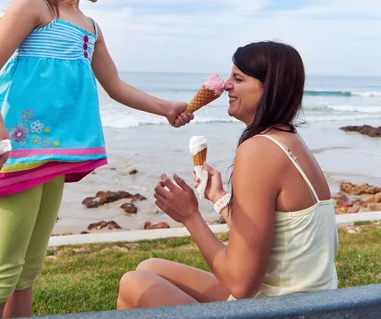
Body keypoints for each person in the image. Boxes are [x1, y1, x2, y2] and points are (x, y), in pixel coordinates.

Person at [0, 0, 192, 319]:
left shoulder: (90, 27)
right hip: (19, 151)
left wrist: (167, 108)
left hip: (57, 154)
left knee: (27, 270)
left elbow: (116, 86)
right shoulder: (34, 5)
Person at [117, 41, 339, 309]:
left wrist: (190, 216)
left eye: (238, 78)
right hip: (305, 303)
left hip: (281, 310)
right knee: (149, 267)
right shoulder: (289, 141)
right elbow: (266, 236)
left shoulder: (258, 150)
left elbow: (241, 284)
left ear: (268, 88)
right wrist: (220, 198)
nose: (225, 86)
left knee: (134, 284)